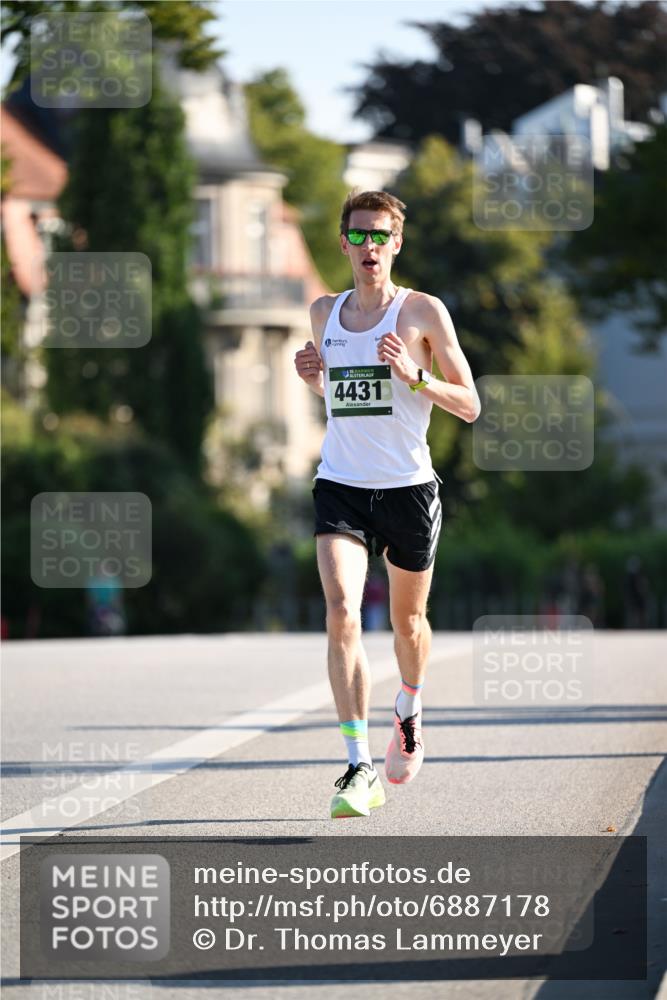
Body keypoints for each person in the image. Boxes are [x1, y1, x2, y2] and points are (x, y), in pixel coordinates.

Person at [294, 190, 480, 819]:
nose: (369, 247)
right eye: (359, 236)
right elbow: (340, 394)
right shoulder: (323, 311)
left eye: (381, 236)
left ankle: (410, 703)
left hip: (407, 488)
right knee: (343, 610)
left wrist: (417, 377)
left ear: (396, 243)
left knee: (407, 626)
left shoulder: (421, 312)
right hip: (341, 483)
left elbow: (471, 403)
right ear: (343, 243)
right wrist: (313, 375)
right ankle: (356, 766)